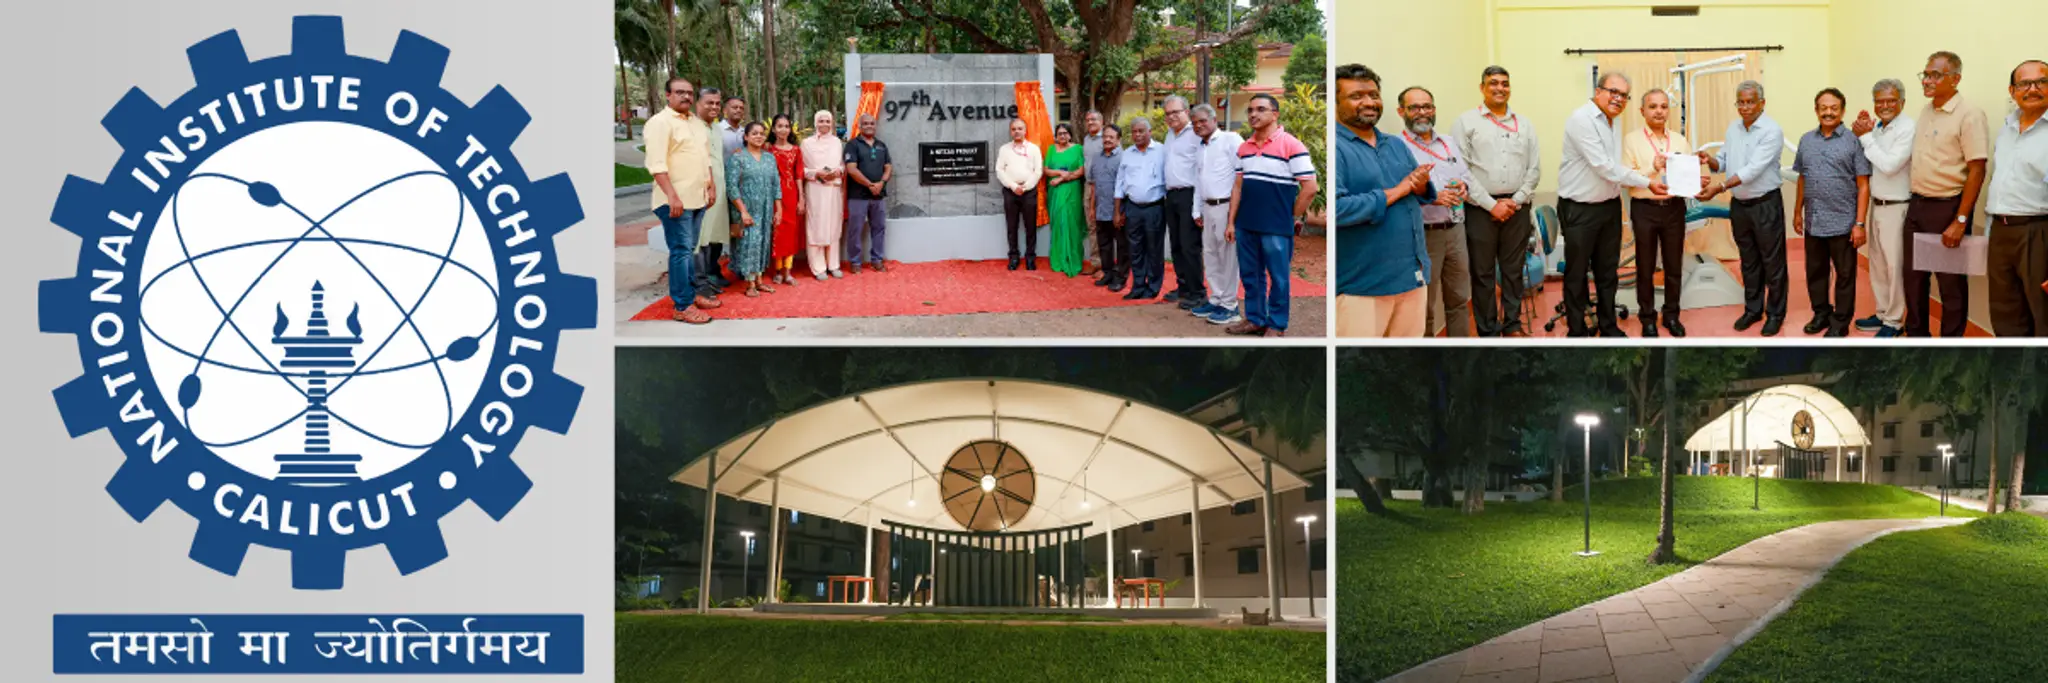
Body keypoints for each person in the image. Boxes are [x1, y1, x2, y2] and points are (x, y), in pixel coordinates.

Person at [1560, 72, 1666, 337]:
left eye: (1624, 95)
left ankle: (1608, 327)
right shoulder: (1581, 120)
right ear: (1598, 91)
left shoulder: (1612, 122)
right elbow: (1604, 167)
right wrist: (1646, 181)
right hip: (1579, 208)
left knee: (1608, 273)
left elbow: (1614, 167)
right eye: (1613, 92)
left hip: (1608, 207)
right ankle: (1577, 331)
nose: (1618, 99)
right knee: (1577, 274)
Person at [1334, 64, 1435, 337]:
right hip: (1362, 287)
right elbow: (1335, 210)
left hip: (1411, 278)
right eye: (1357, 96)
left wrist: (1420, 184)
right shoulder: (1335, 146)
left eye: (1374, 95)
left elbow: (1418, 191)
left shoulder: (1395, 144)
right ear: (1335, 102)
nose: (1369, 102)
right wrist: (1399, 190)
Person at [1901, 51, 1990, 338]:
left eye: (1935, 75)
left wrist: (1961, 219)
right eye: (1925, 74)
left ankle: (1951, 344)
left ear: (1955, 79)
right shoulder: (1927, 110)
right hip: (1917, 205)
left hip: (1948, 208)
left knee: (1950, 286)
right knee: (1913, 281)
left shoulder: (1969, 114)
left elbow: (1977, 169)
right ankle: (1917, 340)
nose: (1927, 80)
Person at [1452, 65, 1542, 337]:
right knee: (1483, 274)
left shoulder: (1524, 124)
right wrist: (1492, 205)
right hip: (1480, 209)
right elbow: (1462, 170)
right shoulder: (1466, 122)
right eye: (1493, 83)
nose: (1499, 88)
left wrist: (1515, 201)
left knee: (1514, 272)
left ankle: (1513, 325)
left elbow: (1534, 168)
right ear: (1482, 88)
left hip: (1517, 207)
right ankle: (1488, 331)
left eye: (1504, 83)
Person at [1699, 80, 1788, 336]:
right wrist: (1710, 160)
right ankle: (1753, 310)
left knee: (1773, 263)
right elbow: (1724, 161)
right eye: (1741, 102)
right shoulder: (1733, 128)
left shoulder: (1771, 131)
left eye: (1750, 102)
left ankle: (1775, 313)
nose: (1745, 107)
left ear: (1762, 103)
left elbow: (1753, 170)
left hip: (1765, 204)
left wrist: (1719, 188)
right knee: (1748, 261)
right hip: (1740, 206)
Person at [1231, 95, 1319, 338]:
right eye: (1250, 110)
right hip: (1246, 223)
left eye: (1260, 109)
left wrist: (1290, 215)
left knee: (1279, 278)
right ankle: (1255, 319)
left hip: (1276, 226)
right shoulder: (1244, 148)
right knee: (1250, 275)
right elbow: (1237, 187)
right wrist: (1231, 222)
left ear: (1275, 114)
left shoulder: (1292, 145)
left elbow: (1310, 188)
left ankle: (1277, 324)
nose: (1253, 114)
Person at [1792, 88, 1872, 337]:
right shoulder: (1806, 140)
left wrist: (1859, 223)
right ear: (1816, 110)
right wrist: (1797, 212)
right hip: (1814, 221)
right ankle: (1821, 314)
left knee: (1845, 276)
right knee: (1815, 273)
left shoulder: (1852, 142)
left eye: (1833, 108)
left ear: (1842, 110)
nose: (1828, 112)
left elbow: (1863, 185)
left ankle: (1840, 323)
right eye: (1823, 108)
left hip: (1844, 223)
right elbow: (1802, 178)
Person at [1396, 87, 1475, 338]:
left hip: (1456, 230)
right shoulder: (1397, 148)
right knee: (1424, 307)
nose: (1422, 113)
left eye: (1427, 106)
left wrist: (1464, 187)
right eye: (1415, 107)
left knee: (1459, 300)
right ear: (1401, 112)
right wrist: (1432, 197)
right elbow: (1395, 193)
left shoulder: (1448, 143)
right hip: (1423, 236)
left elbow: (1465, 176)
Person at [644, 77, 720, 325]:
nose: (685, 97)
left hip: (697, 198)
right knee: (680, 252)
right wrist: (672, 196)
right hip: (675, 201)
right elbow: (656, 165)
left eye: (689, 93)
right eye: (679, 92)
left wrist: (711, 186)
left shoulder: (697, 124)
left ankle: (692, 293)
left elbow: (705, 159)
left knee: (689, 251)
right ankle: (682, 305)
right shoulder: (659, 123)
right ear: (668, 95)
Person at [1620, 88, 1695, 337]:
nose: (1659, 111)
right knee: (1645, 266)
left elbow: (1687, 176)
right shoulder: (1631, 140)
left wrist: (1698, 182)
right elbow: (1626, 178)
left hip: (1674, 208)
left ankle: (1671, 315)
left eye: (1663, 106)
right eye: (1653, 106)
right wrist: (1651, 168)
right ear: (1642, 111)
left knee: (1674, 265)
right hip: (1645, 208)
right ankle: (1647, 318)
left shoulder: (1680, 140)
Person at [1985, 59, 2048, 336]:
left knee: (2042, 314)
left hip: (2038, 234)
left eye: (2041, 82)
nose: (2032, 89)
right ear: (2012, 91)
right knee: (2005, 312)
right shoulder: (2007, 128)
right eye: (2024, 83)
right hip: (2001, 231)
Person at [1851, 79, 1917, 338]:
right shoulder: (1878, 127)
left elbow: (1889, 165)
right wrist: (1863, 132)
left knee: (1894, 266)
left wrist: (1865, 137)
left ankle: (1895, 321)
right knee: (1877, 264)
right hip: (1876, 205)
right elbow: (1868, 158)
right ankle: (1881, 313)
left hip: (1897, 206)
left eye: (1891, 100)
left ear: (1902, 101)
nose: (1885, 105)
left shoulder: (1907, 128)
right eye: (1880, 101)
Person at [1190, 104, 1246, 325]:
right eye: (1194, 123)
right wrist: (1196, 209)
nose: (1198, 125)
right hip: (1207, 207)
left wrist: (1233, 216)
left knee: (1228, 257)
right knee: (1211, 255)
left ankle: (1230, 305)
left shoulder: (1231, 140)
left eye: (1202, 120)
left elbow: (1240, 177)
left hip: (1226, 207)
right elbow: (1198, 180)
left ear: (1214, 119)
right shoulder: (1200, 148)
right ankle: (1216, 299)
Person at [726, 121, 783, 298]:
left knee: (763, 243)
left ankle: (759, 280)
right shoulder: (738, 158)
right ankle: (749, 283)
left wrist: (778, 209)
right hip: (746, 208)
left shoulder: (769, 158)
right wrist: (742, 211)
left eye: (761, 133)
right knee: (749, 244)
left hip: (766, 208)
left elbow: (776, 185)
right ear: (746, 137)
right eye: (754, 133)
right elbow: (732, 187)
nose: (759, 136)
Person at [1117, 117, 1170, 301]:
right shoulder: (1127, 153)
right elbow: (1120, 182)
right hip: (1132, 208)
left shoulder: (1161, 150)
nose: (1137, 135)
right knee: (1135, 249)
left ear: (1150, 132)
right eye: (1134, 131)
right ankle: (1138, 285)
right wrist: (1118, 210)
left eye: (1141, 131)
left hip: (1154, 208)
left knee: (1154, 249)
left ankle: (1153, 286)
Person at [1161, 95, 1206, 308]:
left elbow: (1201, 168)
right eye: (1167, 114)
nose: (1171, 117)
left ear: (1186, 112)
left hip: (1190, 194)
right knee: (1177, 245)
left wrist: (1199, 205)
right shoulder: (1169, 135)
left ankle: (1198, 292)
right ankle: (1183, 286)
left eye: (1175, 112)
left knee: (1190, 245)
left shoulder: (1196, 134)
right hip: (1171, 196)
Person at [844, 113, 893, 274]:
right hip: (858, 195)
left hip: (878, 195)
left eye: (872, 123)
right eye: (865, 123)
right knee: (855, 229)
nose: (869, 126)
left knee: (879, 228)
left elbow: (888, 167)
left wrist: (882, 183)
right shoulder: (852, 145)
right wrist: (870, 184)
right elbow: (851, 169)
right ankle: (855, 262)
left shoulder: (882, 145)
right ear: (859, 126)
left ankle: (877, 260)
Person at [995, 117, 1046, 271]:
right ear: (1011, 132)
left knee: (1030, 226)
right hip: (1010, 192)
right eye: (1014, 129)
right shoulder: (1004, 149)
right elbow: (999, 170)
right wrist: (1013, 186)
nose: (1017, 131)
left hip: (1029, 192)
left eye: (1020, 129)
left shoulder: (1033, 149)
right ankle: (1014, 257)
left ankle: (1030, 257)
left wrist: (1025, 187)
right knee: (1012, 226)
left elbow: (1038, 171)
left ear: (1025, 131)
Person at [801, 110, 846, 280]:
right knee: (816, 226)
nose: (825, 124)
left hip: (833, 189)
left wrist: (837, 171)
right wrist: (816, 173)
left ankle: (833, 264)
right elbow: (801, 169)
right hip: (815, 189)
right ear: (815, 122)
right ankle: (818, 267)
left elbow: (842, 165)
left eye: (828, 121)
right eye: (821, 121)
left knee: (834, 225)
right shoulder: (806, 143)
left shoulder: (837, 142)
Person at [695, 88, 732, 297]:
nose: (714, 107)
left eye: (717, 103)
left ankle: (712, 272)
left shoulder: (717, 129)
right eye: (710, 103)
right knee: (701, 236)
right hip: (700, 191)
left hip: (720, 188)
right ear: (698, 104)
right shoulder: (692, 127)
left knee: (717, 233)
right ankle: (700, 281)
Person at [767, 113, 806, 287]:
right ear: (774, 129)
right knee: (777, 230)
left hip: (791, 195)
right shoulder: (768, 149)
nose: (783, 129)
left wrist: (801, 198)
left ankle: (788, 271)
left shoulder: (796, 150)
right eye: (780, 126)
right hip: (773, 194)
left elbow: (799, 175)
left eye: (786, 126)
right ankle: (776, 270)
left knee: (790, 232)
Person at [1088, 124, 1128, 291]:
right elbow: (1093, 185)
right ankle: (1108, 273)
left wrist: (1122, 212)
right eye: (1105, 136)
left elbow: (1127, 187)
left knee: (1122, 246)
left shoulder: (1124, 158)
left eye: (1112, 137)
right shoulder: (1096, 158)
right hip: (1101, 209)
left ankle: (1121, 277)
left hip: (1118, 211)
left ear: (1118, 140)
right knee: (1104, 245)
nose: (1107, 139)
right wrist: (1092, 208)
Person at [1045, 123, 1087, 276]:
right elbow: (1046, 170)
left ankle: (1073, 258)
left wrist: (1062, 179)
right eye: (1059, 133)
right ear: (1056, 136)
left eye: (1065, 133)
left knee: (1072, 223)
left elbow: (1081, 170)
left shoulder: (1078, 149)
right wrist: (1059, 173)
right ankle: (1059, 258)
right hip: (1055, 192)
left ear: (1070, 134)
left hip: (1072, 190)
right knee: (1058, 223)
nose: (1062, 136)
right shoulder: (1051, 149)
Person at [1080, 110, 1106, 276]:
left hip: (1103, 187)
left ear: (1101, 121)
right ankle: (1095, 262)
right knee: (1091, 225)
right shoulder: (1087, 140)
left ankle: (1106, 265)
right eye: (1088, 120)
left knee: (1104, 225)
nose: (1090, 122)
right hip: (1088, 186)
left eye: (1094, 119)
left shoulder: (1107, 138)